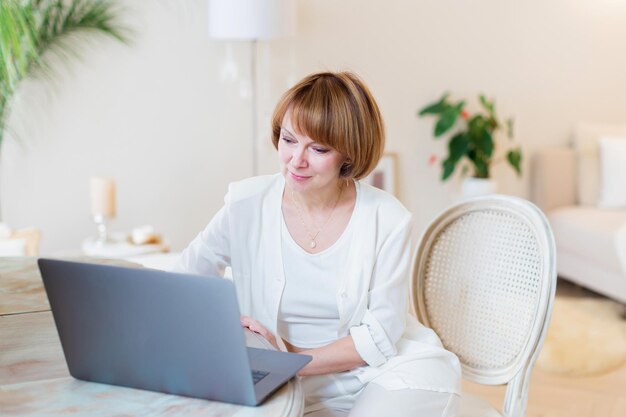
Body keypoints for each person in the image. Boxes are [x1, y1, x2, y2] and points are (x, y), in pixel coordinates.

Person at [174, 71, 461, 417]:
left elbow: (380, 336)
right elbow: (183, 282)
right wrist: (231, 328)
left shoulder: (388, 219)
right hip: (280, 378)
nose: (297, 160)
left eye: (319, 148)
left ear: (348, 154)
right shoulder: (245, 203)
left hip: (386, 372)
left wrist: (286, 360)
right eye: (289, 140)